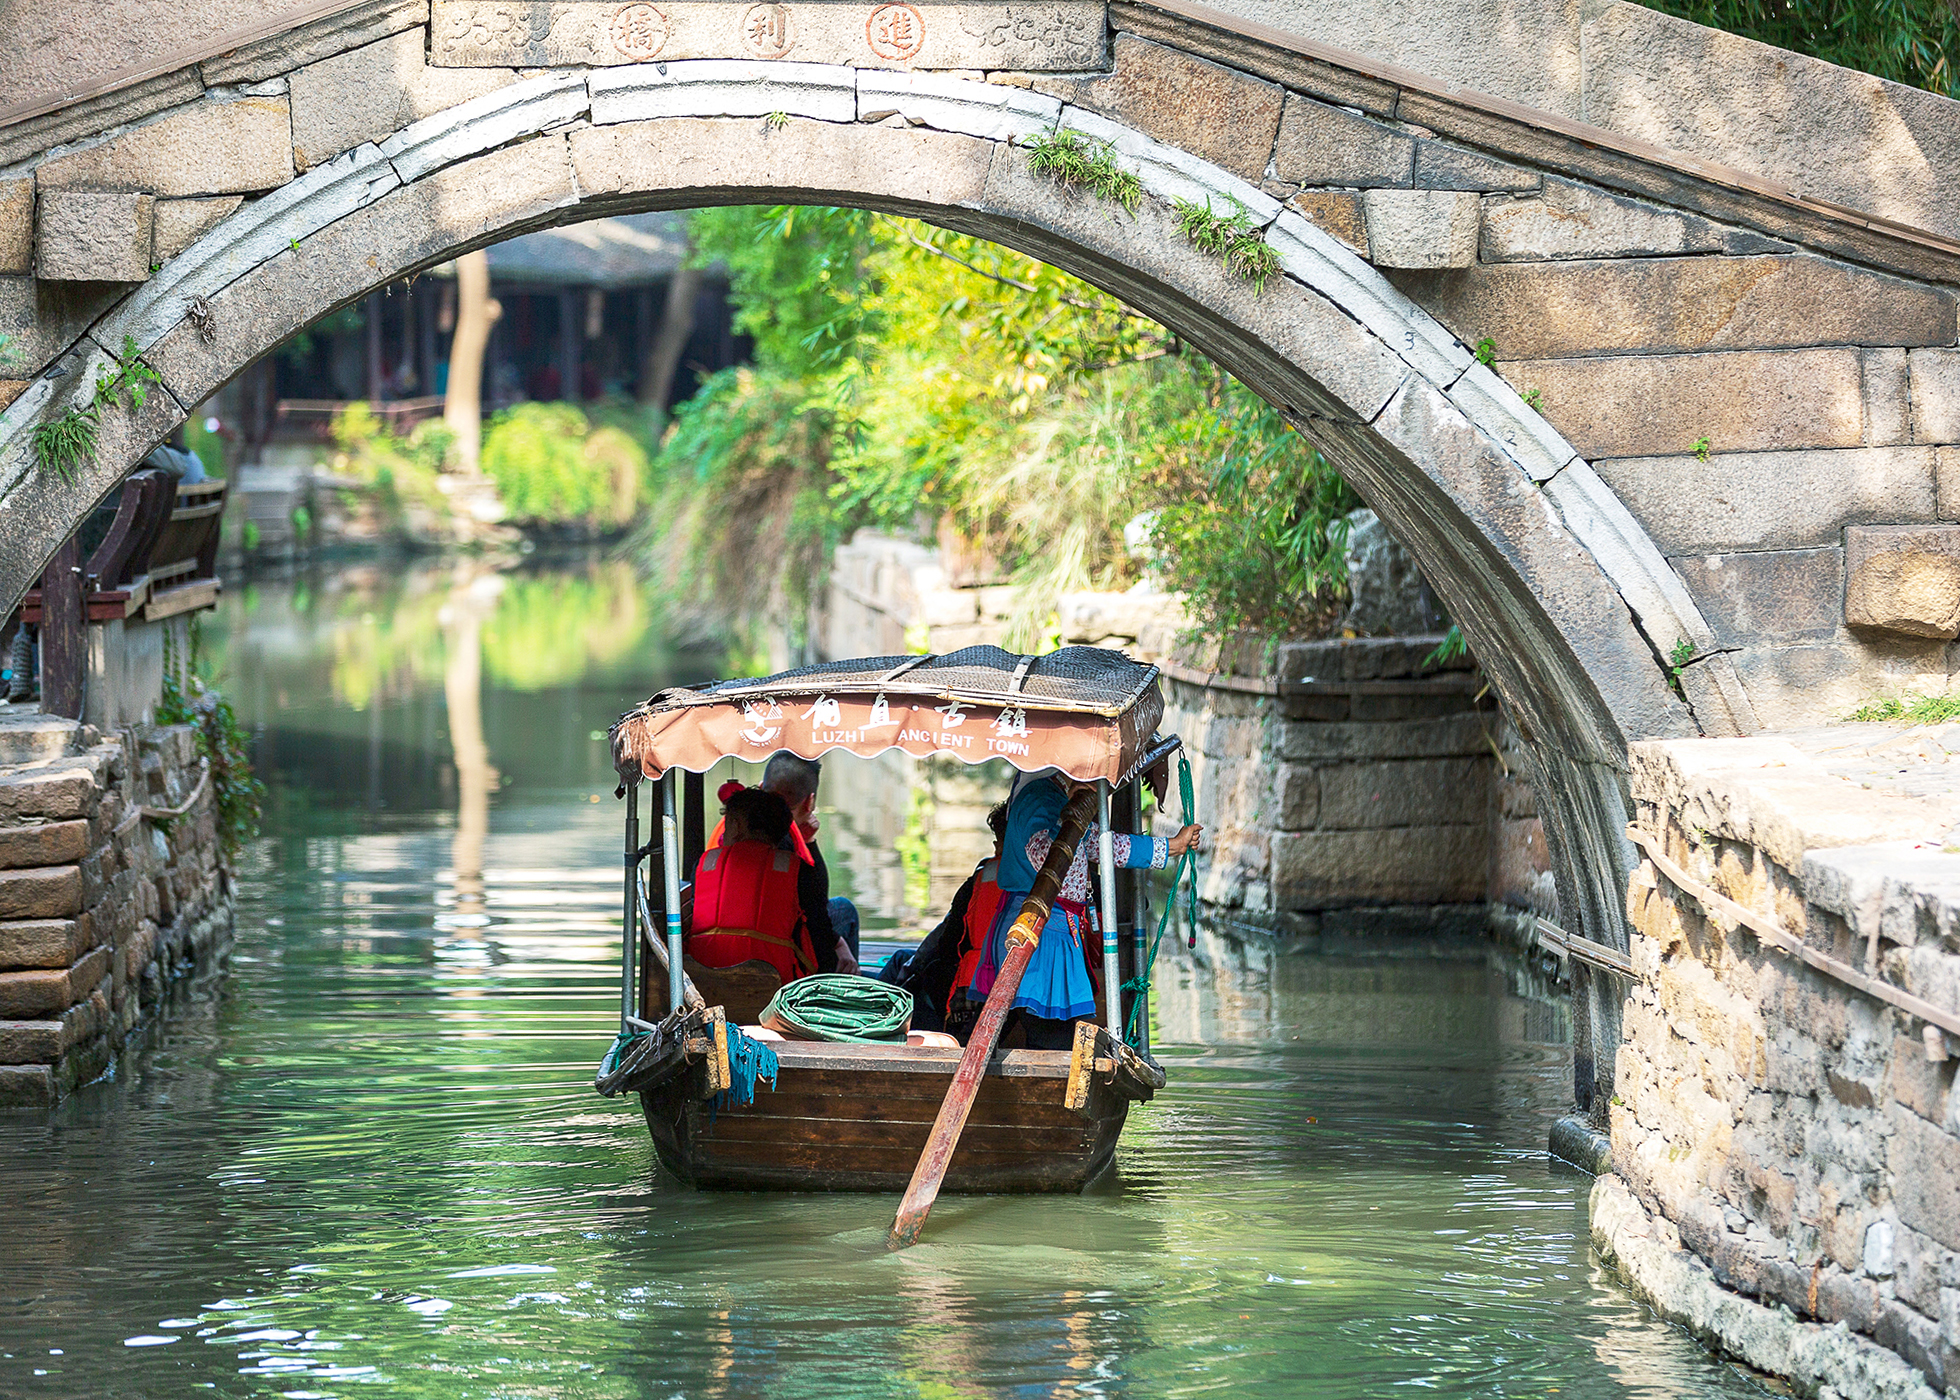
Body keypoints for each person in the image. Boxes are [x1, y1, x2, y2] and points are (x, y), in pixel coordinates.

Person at [956, 769, 1201, 1050]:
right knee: (1052, 1037)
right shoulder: (1040, 796)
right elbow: (1043, 851)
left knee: (1028, 1027)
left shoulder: (1052, 796)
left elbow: (1101, 843)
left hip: (1047, 930)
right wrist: (1073, 819)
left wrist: (1171, 847)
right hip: (1039, 934)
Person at [883, 802, 1009, 1037]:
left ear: (999, 843)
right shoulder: (1053, 877)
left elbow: (947, 944)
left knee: (924, 973)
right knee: (911, 962)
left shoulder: (981, 880)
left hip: (976, 988)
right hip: (1016, 987)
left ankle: (894, 1034)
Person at [688, 787, 823, 983]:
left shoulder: (705, 865)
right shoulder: (798, 871)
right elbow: (822, 940)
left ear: (737, 825)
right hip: (775, 990)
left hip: (703, 983)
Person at [758, 753, 860, 976]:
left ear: (760, 787)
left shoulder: (722, 840)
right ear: (809, 801)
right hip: (783, 964)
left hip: (733, 952)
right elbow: (816, 916)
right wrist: (840, 946)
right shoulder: (790, 857)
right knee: (845, 910)